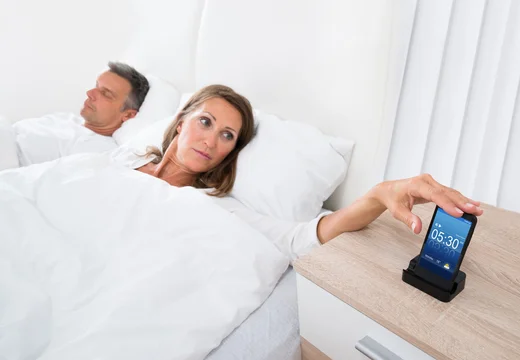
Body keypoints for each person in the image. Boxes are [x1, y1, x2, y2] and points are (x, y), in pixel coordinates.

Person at [113, 84, 483, 259]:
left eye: (227, 135)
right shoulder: (124, 158)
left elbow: (300, 237)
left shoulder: (214, 206)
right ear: (180, 123)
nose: (211, 141)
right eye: (205, 122)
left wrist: (377, 195)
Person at [13, 61, 149, 166]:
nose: (90, 94)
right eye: (96, 86)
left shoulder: (99, 153)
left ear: (128, 115)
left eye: (105, 93)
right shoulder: (66, 119)